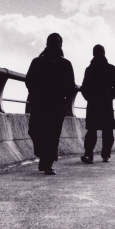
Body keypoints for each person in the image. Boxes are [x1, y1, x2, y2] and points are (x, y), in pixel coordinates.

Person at [25, 33, 75, 175]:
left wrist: (64, 100)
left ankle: (48, 162)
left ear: (60, 45)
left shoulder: (65, 64)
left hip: (56, 104)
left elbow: (70, 86)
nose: (54, 45)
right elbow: (29, 81)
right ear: (47, 44)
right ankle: (43, 155)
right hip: (40, 102)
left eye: (56, 43)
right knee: (35, 131)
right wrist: (36, 93)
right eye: (52, 42)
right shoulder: (37, 62)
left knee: (52, 134)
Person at [80, 45, 115, 164]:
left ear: (93, 54)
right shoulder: (111, 68)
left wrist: (89, 98)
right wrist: (110, 96)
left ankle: (89, 154)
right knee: (108, 131)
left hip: (93, 104)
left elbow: (84, 88)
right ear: (104, 53)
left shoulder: (89, 69)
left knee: (91, 130)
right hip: (106, 103)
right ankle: (106, 155)